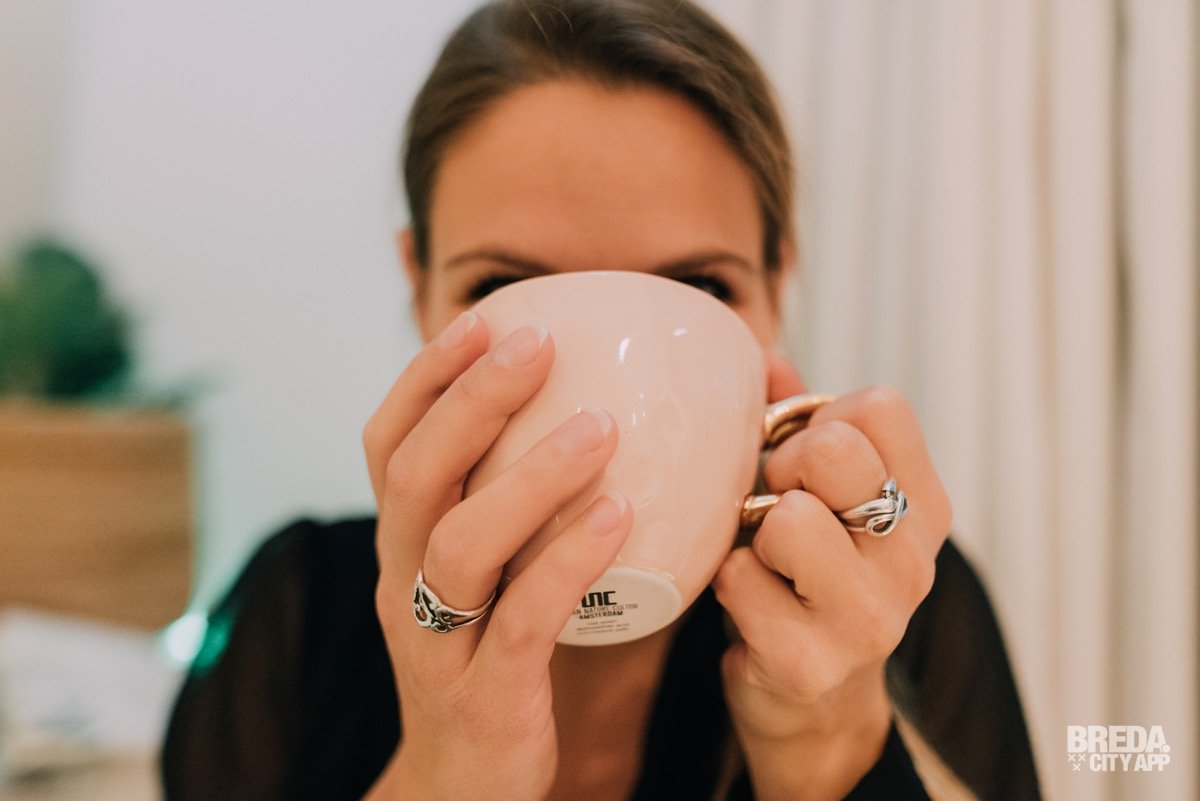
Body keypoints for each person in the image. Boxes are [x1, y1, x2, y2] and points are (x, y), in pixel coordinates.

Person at [161, 1, 1041, 799]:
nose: (605, 413)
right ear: (419, 286)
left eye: (699, 286)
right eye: (504, 285)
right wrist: (447, 768)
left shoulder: (901, 608)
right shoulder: (293, 613)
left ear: (777, 290)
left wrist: (830, 742)